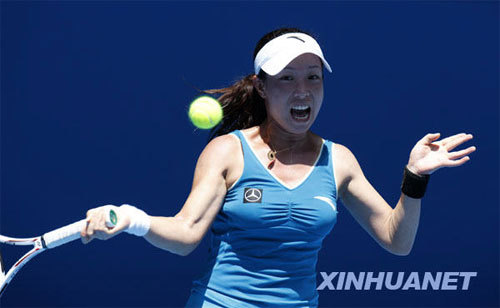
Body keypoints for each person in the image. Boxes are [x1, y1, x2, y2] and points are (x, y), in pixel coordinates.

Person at [81, 28, 476, 307]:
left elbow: (397, 241)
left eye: (313, 78)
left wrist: (415, 178)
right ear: (262, 87)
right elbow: (186, 234)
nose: (303, 90)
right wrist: (134, 219)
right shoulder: (227, 152)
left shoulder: (338, 160)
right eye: (287, 78)